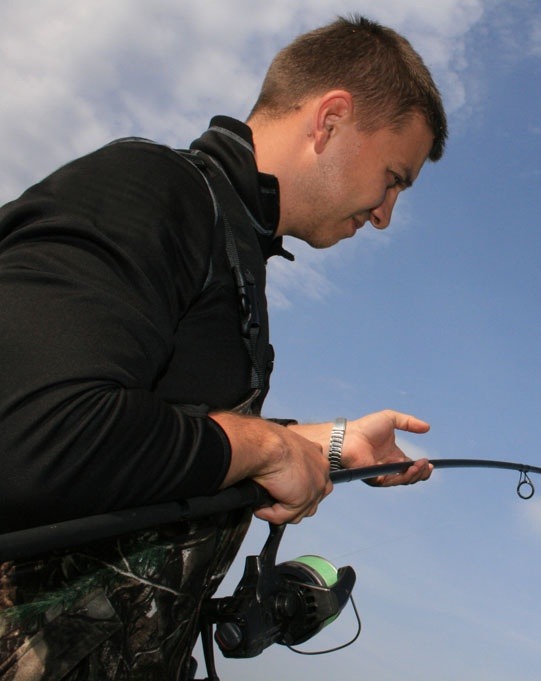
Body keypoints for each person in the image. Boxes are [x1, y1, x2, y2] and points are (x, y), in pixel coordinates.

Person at [0, 15, 445, 680]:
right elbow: (30, 436)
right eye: (393, 177)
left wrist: (328, 442)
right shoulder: (151, 191)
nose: (385, 214)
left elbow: (167, 430)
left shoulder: (238, 249)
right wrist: (268, 447)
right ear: (329, 119)